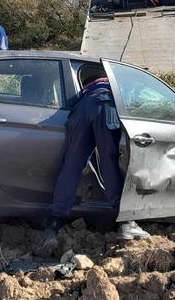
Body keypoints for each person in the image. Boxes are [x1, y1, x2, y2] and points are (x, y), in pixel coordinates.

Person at [37, 68, 150, 256]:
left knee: (71, 166)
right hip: (106, 107)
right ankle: (126, 223)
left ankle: (53, 224)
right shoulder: (113, 80)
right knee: (109, 163)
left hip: (80, 111)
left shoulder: (84, 92)